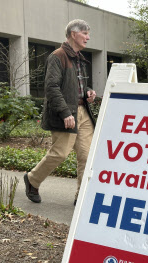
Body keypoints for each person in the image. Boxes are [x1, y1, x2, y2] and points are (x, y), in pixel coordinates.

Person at [24, 19, 96, 205]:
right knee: (60, 153)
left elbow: (74, 84)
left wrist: (87, 91)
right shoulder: (58, 56)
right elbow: (52, 87)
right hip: (65, 113)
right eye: (85, 33)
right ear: (73, 34)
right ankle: (32, 179)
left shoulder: (79, 58)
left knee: (87, 155)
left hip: (83, 112)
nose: (88, 37)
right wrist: (65, 112)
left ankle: (81, 196)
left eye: (88, 34)